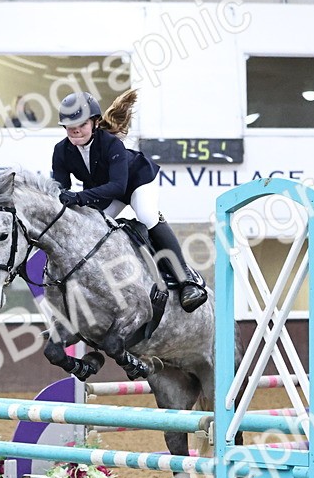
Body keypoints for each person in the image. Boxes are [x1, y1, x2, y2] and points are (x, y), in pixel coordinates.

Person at [50, 90, 207, 312]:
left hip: (137, 182)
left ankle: (186, 281)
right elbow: (59, 188)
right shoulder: (61, 151)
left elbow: (118, 186)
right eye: (68, 125)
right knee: (90, 226)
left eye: (81, 123)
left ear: (95, 123)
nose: (75, 129)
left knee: (147, 215)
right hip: (105, 192)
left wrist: (79, 197)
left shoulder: (111, 144)